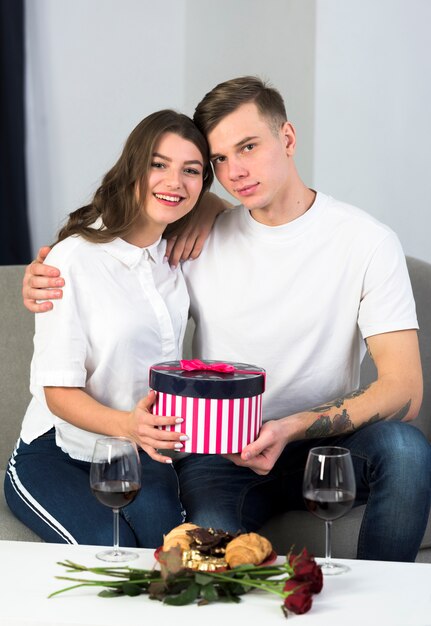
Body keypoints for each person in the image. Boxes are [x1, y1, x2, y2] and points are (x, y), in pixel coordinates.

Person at [21, 77, 431, 561]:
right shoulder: (196, 237)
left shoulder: (367, 241)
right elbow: (124, 253)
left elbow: (405, 390)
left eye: (249, 147)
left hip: (323, 448)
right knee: (209, 563)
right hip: (219, 457)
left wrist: (292, 427)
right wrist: (47, 267)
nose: (235, 171)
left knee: (405, 450)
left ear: (288, 138)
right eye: (219, 160)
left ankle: (383, 601)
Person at [4, 109, 216, 547]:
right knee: (111, 549)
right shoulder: (72, 260)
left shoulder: (179, 258)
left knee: (173, 553)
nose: (174, 182)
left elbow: (254, 222)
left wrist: (212, 208)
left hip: (141, 450)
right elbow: (58, 395)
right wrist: (130, 426)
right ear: (133, 167)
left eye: (190, 171)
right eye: (159, 164)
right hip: (58, 450)